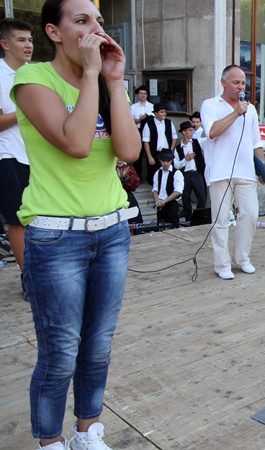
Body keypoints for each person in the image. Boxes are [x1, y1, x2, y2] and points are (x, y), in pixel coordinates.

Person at [12, 0, 141, 447]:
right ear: (54, 31)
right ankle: (50, 441)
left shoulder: (106, 83)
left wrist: (114, 81)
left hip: (111, 232)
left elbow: (127, 151)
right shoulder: (32, 80)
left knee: (98, 345)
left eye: (99, 22)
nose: (96, 31)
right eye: (81, 21)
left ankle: (88, 431)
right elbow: (76, 143)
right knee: (60, 352)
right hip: (55, 235)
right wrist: (91, 76)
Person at [200, 64, 264, 280]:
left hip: (246, 170)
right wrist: (236, 113)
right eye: (236, 82)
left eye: (243, 83)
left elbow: (257, 142)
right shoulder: (210, 105)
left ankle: (242, 258)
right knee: (221, 220)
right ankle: (222, 264)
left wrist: (262, 169)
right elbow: (211, 132)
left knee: (250, 214)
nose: (240, 86)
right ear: (223, 82)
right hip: (220, 171)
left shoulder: (251, 109)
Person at [0, 17, 32, 280]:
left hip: (36, 155)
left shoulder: (34, 74)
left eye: (30, 39)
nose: (28, 45)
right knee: (17, 219)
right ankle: (27, 276)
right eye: (21, 39)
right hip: (8, 154)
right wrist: (27, 108)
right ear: (5, 44)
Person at [173, 121, 206, 222]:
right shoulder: (178, 148)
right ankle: (188, 220)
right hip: (185, 175)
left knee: (202, 198)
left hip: (197, 173)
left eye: (192, 130)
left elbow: (209, 139)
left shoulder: (197, 142)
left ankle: (199, 218)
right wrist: (185, 159)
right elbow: (176, 165)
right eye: (189, 130)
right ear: (183, 132)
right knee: (186, 199)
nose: (192, 132)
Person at [141, 103, 177, 184]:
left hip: (167, 152)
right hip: (155, 153)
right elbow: (146, 141)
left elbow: (174, 137)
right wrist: (149, 156)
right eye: (161, 112)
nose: (164, 113)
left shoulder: (169, 123)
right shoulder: (149, 124)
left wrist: (171, 149)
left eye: (165, 112)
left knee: (168, 176)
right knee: (154, 176)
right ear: (155, 113)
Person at [152, 150, 183, 228]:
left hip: (172, 205)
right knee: (161, 228)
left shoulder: (177, 173)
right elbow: (155, 189)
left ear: (171, 161)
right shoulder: (157, 173)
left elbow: (178, 191)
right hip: (160, 205)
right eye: (163, 161)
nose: (165, 163)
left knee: (174, 227)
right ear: (160, 160)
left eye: (168, 161)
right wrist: (157, 201)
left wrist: (164, 202)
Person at [129, 84, 153, 178]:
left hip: (149, 132)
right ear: (138, 95)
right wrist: (140, 120)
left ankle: (150, 177)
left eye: (144, 93)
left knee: (149, 154)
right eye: (141, 93)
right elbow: (130, 121)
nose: (143, 95)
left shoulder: (151, 106)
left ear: (147, 95)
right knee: (138, 155)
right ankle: (137, 177)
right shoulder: (133, 107)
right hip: (137, 131)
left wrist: (146, 118)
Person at [116, 159, 143, 225]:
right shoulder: (110, 169)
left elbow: (135, 184)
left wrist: (126, 177)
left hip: (127, 194)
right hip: (114, 195)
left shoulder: (130, 169)